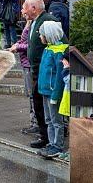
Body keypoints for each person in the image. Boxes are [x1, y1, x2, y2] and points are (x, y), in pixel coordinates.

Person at [25, 0, 60, 149]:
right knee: (39, 104)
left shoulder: (47, 20)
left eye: (25, 7)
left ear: (34, 8)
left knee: (43, 106)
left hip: (44, 71)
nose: (23, 10)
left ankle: (48, 139)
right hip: (37, 69)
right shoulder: (34, 21)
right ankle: (45, 136)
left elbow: (61, 40)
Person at [37, 20, 68, 158]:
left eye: (42, 34)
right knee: (49, 119)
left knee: (57, 121)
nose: (40, 37)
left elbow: (58, 77)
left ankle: (58, 146)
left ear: (49, 35)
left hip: (52, 92)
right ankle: (51, 143)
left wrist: (56, 95)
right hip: (45, 91)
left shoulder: (59, 52)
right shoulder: (47, 49)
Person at [9, 18, 38, 135]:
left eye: (24, 8)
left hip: (29, 64)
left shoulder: (34, 25)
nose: (22, 11)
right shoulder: (30, 23)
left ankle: (35, 123)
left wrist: (18, 47)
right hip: (26, 63)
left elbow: (31, 44)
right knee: (30, 95)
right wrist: (17, 44)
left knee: (32, 95)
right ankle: (34, 122)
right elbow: (25, 41)